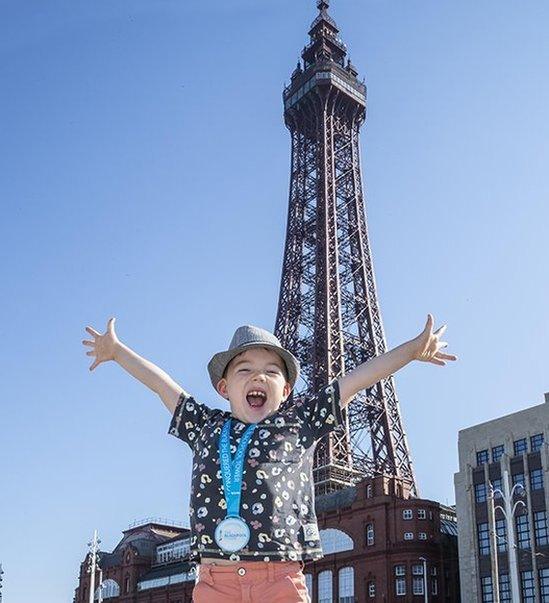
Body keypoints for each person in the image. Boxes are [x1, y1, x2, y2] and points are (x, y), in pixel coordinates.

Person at [82, 314, 456, 602]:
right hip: (216, 582)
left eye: (271, 371)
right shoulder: (206, 426)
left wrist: (411, 350)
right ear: (224, 388)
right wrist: (117, 352)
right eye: (245, 370)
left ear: (287, 389)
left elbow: (356, 381)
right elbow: (163, 386)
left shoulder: (299, 423)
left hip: (280, 579)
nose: (258, 376)